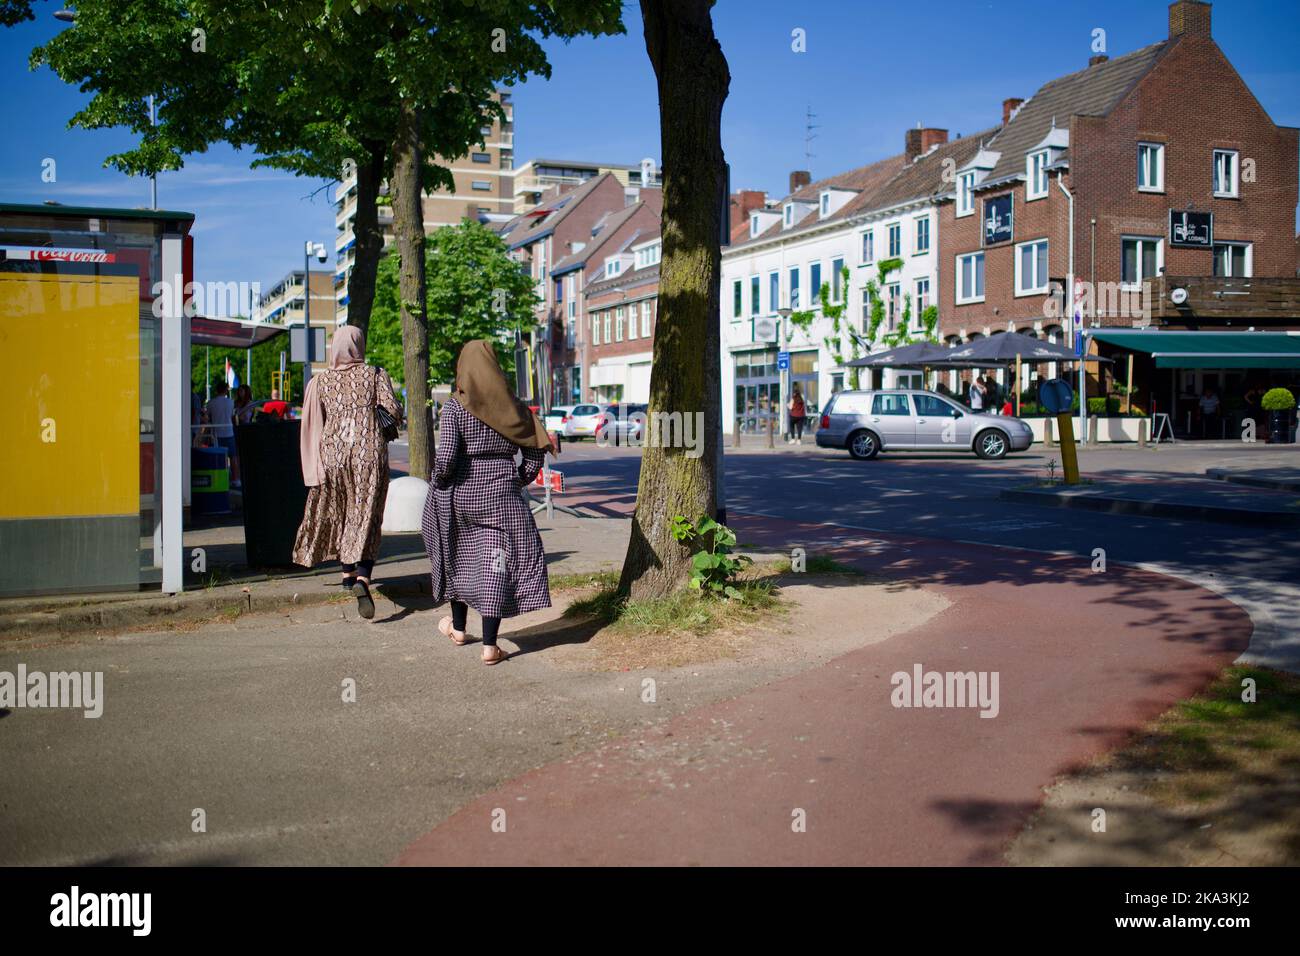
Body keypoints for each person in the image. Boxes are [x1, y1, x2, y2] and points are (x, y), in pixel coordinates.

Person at [421, 340, 556, 666]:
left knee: (457, 555)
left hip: (462, 496)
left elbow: (448, 456)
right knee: (495, 565)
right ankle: (490, 646)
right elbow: (537, 449)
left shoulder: (455, 407)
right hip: (502, 498)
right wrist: (518, 478)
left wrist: (439, 481)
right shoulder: (513, 405)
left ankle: (458, 628)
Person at [293, 326, 402, 619]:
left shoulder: (321, 381)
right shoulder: (376, 374)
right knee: (367, 512)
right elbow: (393, 410)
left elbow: (311, 423)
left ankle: (346, 575)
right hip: (368, 453)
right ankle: (363, 578)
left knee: (342, 510)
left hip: (333, 455)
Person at [205, 381, 239, 488]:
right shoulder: (231, 402)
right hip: (229, 432)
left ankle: (216, 479)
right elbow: (233, 417)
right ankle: (235, 479)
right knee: (233, 457)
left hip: (216, 434)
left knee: (216, 457)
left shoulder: (211, 403)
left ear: (216, 390)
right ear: (225, 390)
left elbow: (207, 417)